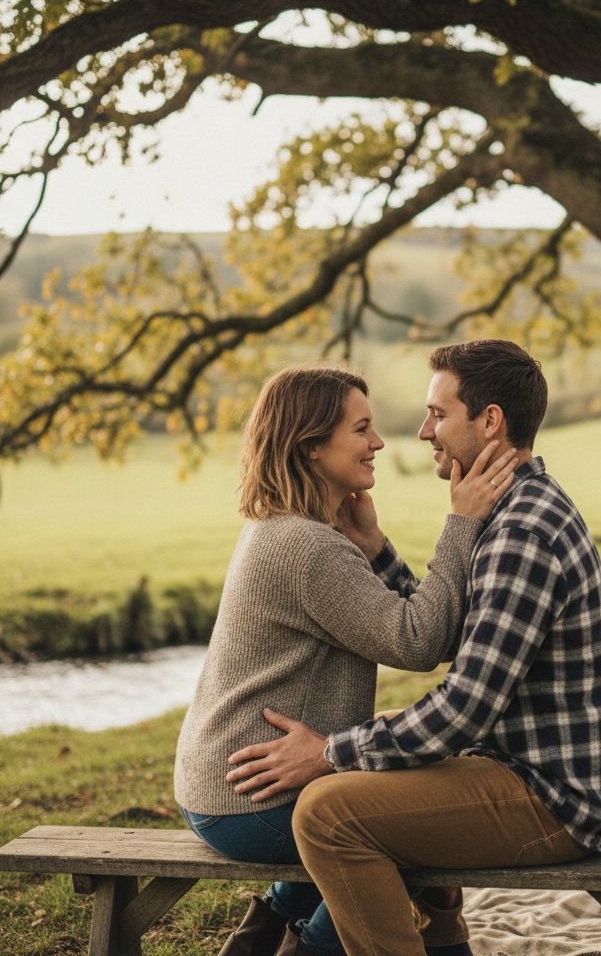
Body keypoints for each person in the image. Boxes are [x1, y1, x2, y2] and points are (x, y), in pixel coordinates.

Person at [227, 340, 601, 956]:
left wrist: (330, 752)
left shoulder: (521, 530)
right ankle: (444, 944)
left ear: (490, 421)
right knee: (388, 753)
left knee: (327, 813)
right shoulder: (510, 511)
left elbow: (463, 708)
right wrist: (379, 552)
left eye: (439, 415)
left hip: (551, 800)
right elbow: (454, 637)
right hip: (519, 769)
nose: (422, 432)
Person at [173, 365, 518, 956]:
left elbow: (414, 630)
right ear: (311, 447)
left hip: (224, 789)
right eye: (362, 429)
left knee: (384, 808)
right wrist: (462, 524)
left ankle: (260, 935)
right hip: (251, 801)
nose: (379, 443)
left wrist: (376, 549)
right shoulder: (309, 549)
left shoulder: (288, 531)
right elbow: (418, 642)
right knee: (406, 834)